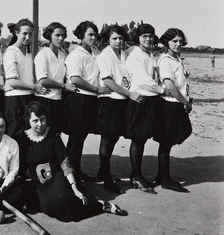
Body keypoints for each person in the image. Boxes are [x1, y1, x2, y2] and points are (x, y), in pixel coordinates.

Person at [19, 102, 126, 222]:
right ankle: (88, 199)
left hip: (57, 177)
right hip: (40, 183)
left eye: (42, 119)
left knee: (65, 205)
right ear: (28, 121)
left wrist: (74, 188)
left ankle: (101, 205)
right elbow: (20, 168)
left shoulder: (52, 135)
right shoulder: (23, 140)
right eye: (35, 121)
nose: (40, 124)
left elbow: (65, 163)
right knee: (47, 207)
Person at [95, 24, 141, 194]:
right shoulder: (105, 55)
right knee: (107, 140)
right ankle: (106, 178)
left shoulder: (123, 54)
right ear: (108, 40)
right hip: (110, 101)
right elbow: (108, 81)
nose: (118, 41)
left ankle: (102, 172)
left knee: (113, 139)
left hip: (121, 100)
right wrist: (129, 94)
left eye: (121, 38)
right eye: (114, 38)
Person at [63, 21, 110, 182]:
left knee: (80, 137)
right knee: (76, 138)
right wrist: (96, 90)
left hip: (89, 100)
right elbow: (75, 79)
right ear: (81, 35)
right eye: (90, 34)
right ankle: (71, 174)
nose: (93, 37)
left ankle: (76, 171)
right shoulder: (76, 54)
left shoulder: (93, 53)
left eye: (95, 34)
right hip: (79, 99)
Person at [125, 23, 165, 194]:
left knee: (143, 138)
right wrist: (163, 89)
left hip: (151, 100)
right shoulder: (135, 56)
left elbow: (155, 77)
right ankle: (136, 176)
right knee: (138, 138)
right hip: (140, 100)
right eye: (144, 36)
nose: (148, 39)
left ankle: (137, 175)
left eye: (150, 36)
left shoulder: (151, 55)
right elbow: (143, 81)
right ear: (138, 38)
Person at [153, 28, 192, 193]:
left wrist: (187, 98)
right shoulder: (165, 60)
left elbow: (181, 82)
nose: (178, 44)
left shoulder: (177, 59)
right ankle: (165, 179)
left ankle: (161, 176)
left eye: (180, 41)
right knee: (166, 142)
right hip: (169, 105)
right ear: (166, 42)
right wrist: (185, 103)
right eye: (174, 41)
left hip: (177, 103)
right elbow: (169, 86)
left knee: (169, 140)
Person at [3, 18, 49, 140]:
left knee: (27, 135)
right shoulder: (11, 52)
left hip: (28, 97)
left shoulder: (28, 52)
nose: (27, 37)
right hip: (15, 99)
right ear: (17, 33)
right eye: (24, 34)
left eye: (30, 34)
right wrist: (35, 87)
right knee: (14, 135)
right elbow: (12, 81)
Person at [34, 22, 77, 134]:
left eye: (63, 35)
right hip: (45, 100)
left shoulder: (63, 56)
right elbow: (42, 79)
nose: (61, 38)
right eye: (57, 35)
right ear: (49, 36)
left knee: (56, 133)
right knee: (44, 134)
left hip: (58, 100)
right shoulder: (42, 55)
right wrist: (63, 86)